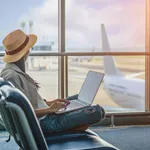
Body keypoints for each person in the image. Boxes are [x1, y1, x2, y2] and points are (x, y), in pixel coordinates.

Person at [0, 29, 105, 133]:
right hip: (46, 122)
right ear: (25, 52)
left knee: (79, 98)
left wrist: (51, 103)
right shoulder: (12, 77)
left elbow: (31, 102)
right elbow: (23, 112)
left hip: (44, 114)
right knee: (98, 111)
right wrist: (50, 110)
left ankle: (72, 119)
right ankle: (69, 128)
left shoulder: (10, 71)